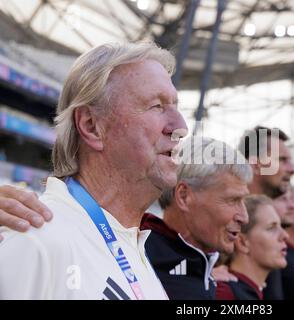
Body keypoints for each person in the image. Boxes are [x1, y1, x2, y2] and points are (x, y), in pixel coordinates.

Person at [0, 42, 188, 299]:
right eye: (156, 106)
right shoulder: (33, 236)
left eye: (176, 107)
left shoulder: (134, 246)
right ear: (91, 126)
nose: (180, 127)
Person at [142, 136, 252, 299]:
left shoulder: (196, 265)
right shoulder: (140, 262)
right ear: (184, 196)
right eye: (232, 200)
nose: (244, 217)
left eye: (243, 201)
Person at [237, 126, 294, 300]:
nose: (292, 169)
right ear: (255, 165)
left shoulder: (272, 216)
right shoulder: (224, 218)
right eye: (282, 160)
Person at [215, 195, 288, 300]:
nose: (285, 236)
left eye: (281, 226)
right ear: (242, 242)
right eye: (271, 228)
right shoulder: (225, 293)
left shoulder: (249, 290)